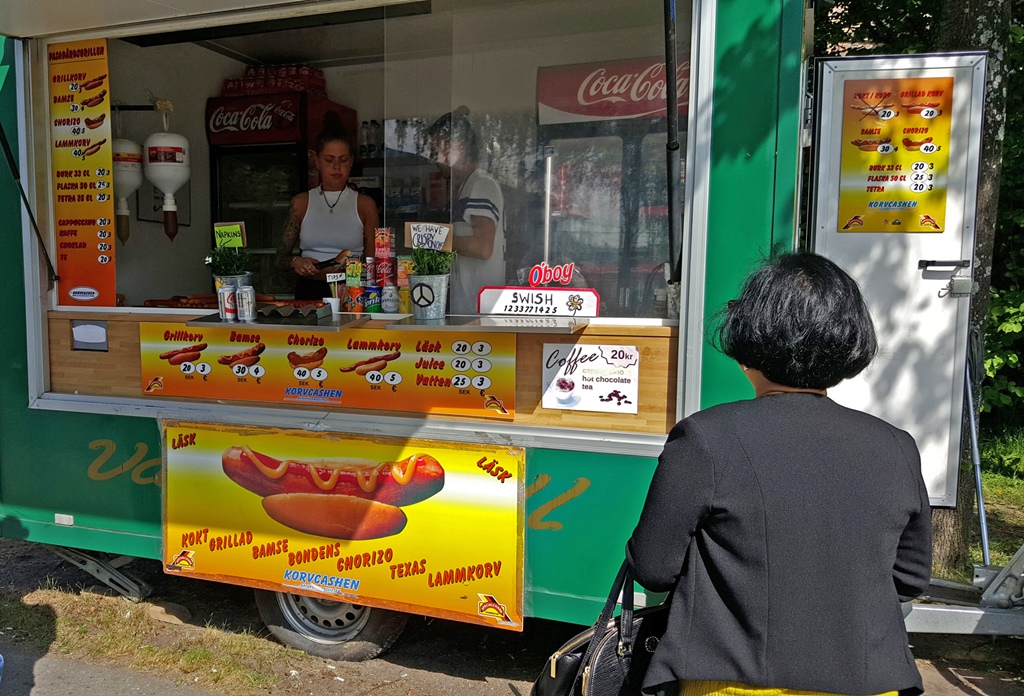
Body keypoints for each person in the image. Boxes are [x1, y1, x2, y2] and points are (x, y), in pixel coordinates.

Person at [627, 252, 932, 696]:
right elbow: (909, 578)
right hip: (872, 683)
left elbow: (652, 568)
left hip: (732, 683)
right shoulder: (896, 445)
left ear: (749, 343)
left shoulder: (705, 438)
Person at [276, 113, 379, 300]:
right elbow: (279, 258)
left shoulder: (365, 205)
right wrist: (295, 261)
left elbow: (375, 264)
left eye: (343, 159)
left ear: (352, 161)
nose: (336, 167)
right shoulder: (301, 203)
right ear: (317, 161)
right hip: (310, 290)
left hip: (352, 291)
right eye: (329, 160)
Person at [426, 106, 505, 314]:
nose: (434, 157)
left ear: (456, 147)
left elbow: (482, 247)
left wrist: (429, 237)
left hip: (480, 313)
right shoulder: (467, 186)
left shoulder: (481, 185)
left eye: (437, 149)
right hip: (469, 310)